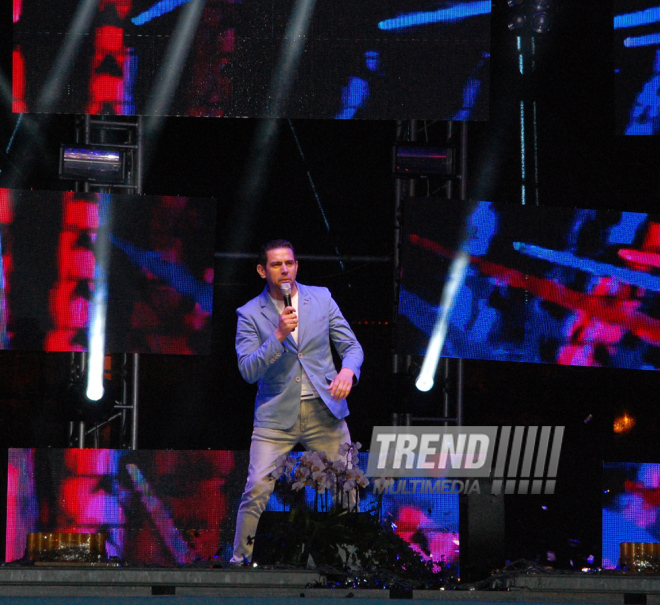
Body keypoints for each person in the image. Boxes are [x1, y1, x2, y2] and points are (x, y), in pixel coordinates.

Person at [230, 239, 364, 564]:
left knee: (347, 488)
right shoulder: (250, 313)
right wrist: (277, 336)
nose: (285, 269)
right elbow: (247, 370)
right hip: (276, 416)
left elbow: (352, 347)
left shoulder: (322, 297)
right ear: (263, 271)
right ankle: (239, 563)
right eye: (276, 265)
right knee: (257, 489)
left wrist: (348, 371)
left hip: (324, 410)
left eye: (289, 262)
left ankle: (354, 562)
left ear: (297, 266)